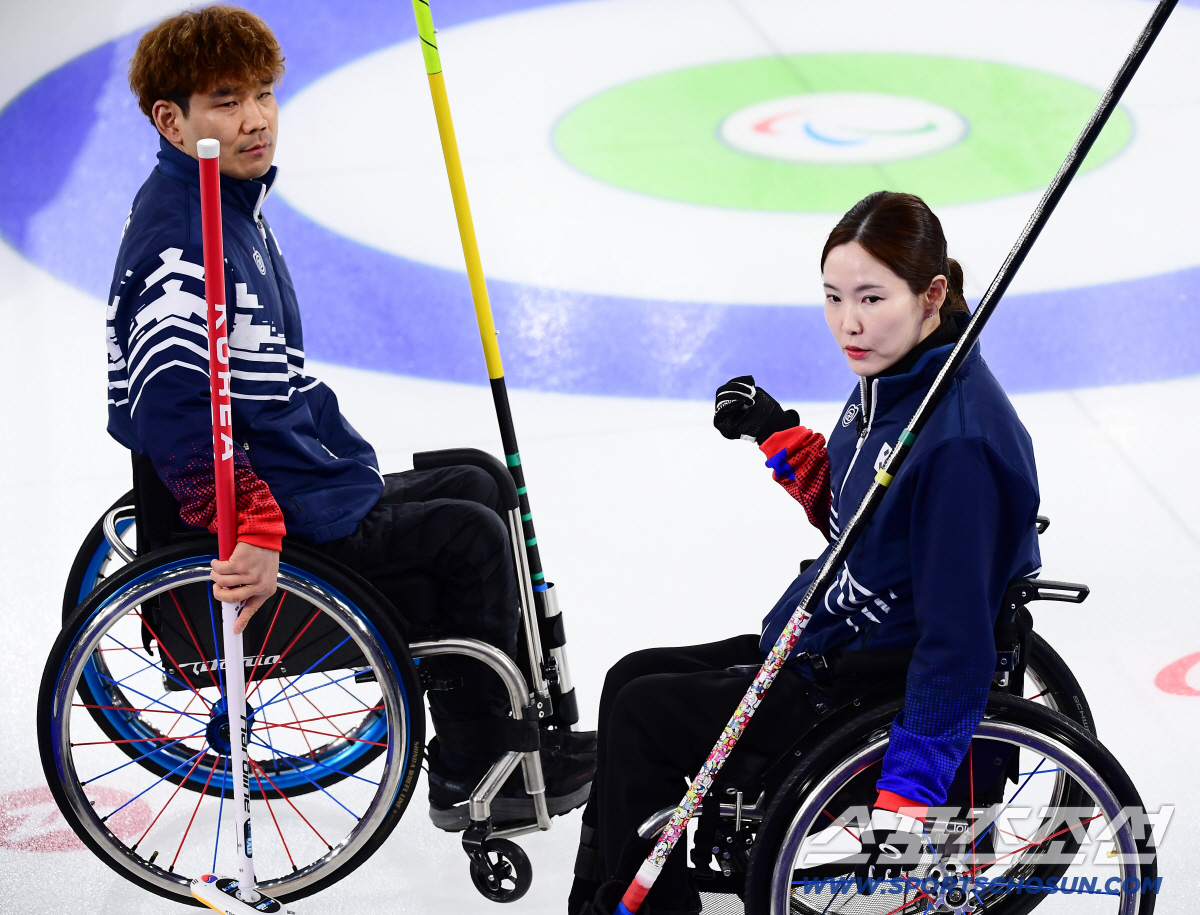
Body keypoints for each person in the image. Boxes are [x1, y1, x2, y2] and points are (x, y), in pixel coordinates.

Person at [106, 5, 593, 830]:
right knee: (469, 536)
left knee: (480, 479)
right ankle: (475, 766)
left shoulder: (224, 201)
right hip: (275, 508)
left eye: (263, 94)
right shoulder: (184, 240)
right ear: (171, 120)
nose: (256, 118)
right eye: (227, 101)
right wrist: (250, 522)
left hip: (298, 470)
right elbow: (171, 412)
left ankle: (516, 730)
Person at [570, 191, 1041, 915]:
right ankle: (600, 898)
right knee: (630, 676)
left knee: (644, 714)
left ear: (931, 294)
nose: (848, 322)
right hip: (831, 638)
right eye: (833, 297)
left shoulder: (959, 445)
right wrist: (776, 432)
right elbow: (862, 521)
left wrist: (909, 789)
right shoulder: (895, 380)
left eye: (872, 297)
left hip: (868, 680)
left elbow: (957, 646)